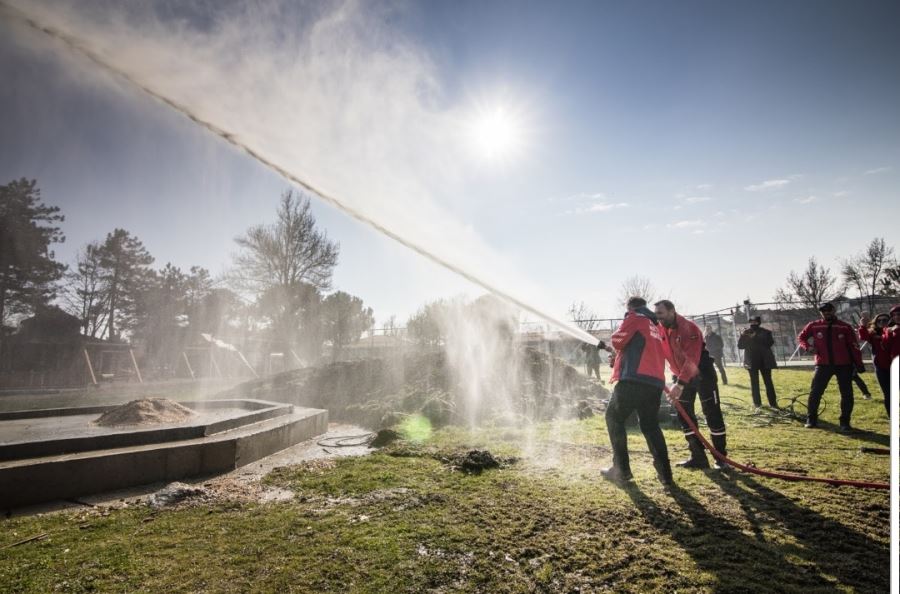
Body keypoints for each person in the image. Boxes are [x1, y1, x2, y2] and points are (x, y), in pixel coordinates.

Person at [601, 296, 673, 486]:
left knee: (613, 418)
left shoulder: (635, 317)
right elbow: (639, 349)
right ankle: (666, 474)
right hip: (655, 383)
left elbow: (617, 341)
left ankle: (621, 470)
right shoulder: (655, 325)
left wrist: (619, 337)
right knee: (650, 426)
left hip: (634, 381)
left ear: (630, 307)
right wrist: (621, 359)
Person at [654, 300, 728, 470]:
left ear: (672, 311)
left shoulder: (689, 328)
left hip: (702, 374)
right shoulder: (659, 328)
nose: (658, 318)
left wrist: (679, 385)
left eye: (661, 313)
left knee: (712, 412)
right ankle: (698, 457)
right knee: (684, 414)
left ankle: (721, 458)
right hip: (680, 375)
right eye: (656, 314)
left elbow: (692, 360)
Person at [797, 302, 865, 432]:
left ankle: (845, 422)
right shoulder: (814, 325)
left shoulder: (844, 327)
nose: (826, 313)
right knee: (815, 392)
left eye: (829, 310)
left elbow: (854, 346)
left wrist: (858, 363)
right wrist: (808, 347)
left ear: (834, 311)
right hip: (823, 364)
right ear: (821, 312)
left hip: (843, 365)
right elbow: (801, 337)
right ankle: (811, 419)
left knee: (847, 394)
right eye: (824, 311)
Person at [737, 316, 779, 408]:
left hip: (765, 360)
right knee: (754, 383)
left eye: (755, 322)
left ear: (759, 323)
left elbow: (769, 343)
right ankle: (757, 404)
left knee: (768, 382)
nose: (753, 324)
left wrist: (755, 337)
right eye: (751, 322)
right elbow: (740, 346)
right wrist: (743, 336)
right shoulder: (746, 332)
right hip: (751, 361)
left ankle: (773, 403)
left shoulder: (766, 332)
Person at [858, 312, 892, 415]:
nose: (882, 322)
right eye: (879, 321)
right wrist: (863, 325)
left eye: (885, 320)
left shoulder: (895, 331)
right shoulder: (872, 334)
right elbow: (863, 336)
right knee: (888, 394)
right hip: (881, 368)